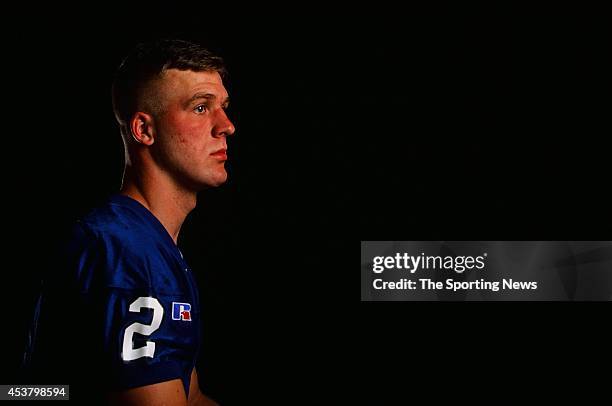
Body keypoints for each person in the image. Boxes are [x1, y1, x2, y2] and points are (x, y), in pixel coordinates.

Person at [23, 39, 236, 405]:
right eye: (201, 108)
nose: (226, 126)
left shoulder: (152, 243)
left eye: (224, 108)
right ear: (144, 130)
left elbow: (191, 394)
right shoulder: (124, 249)